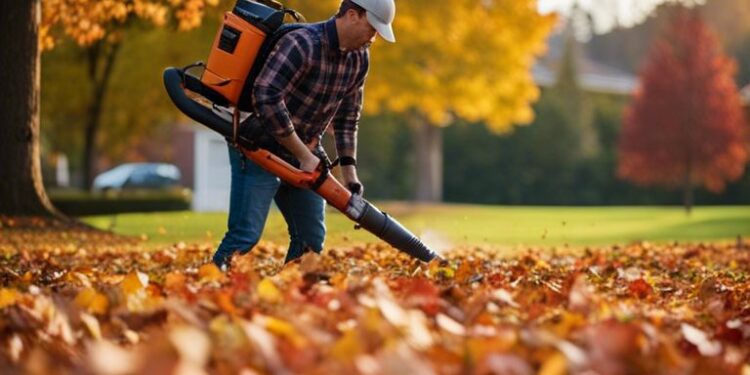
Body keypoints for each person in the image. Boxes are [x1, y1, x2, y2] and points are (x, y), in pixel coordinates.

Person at [212, 0, 396, 269]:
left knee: (310, 242)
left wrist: (350, 175)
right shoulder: (302, 44)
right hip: (257, 146)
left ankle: (289, 301)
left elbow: (347, 118)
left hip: (305, 151)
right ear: (353, 15)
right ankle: (208, 288)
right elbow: (266, 97)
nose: (373, 37)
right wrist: (302, 153)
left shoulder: (359, 58)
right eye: (372, 29)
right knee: (245, 236)